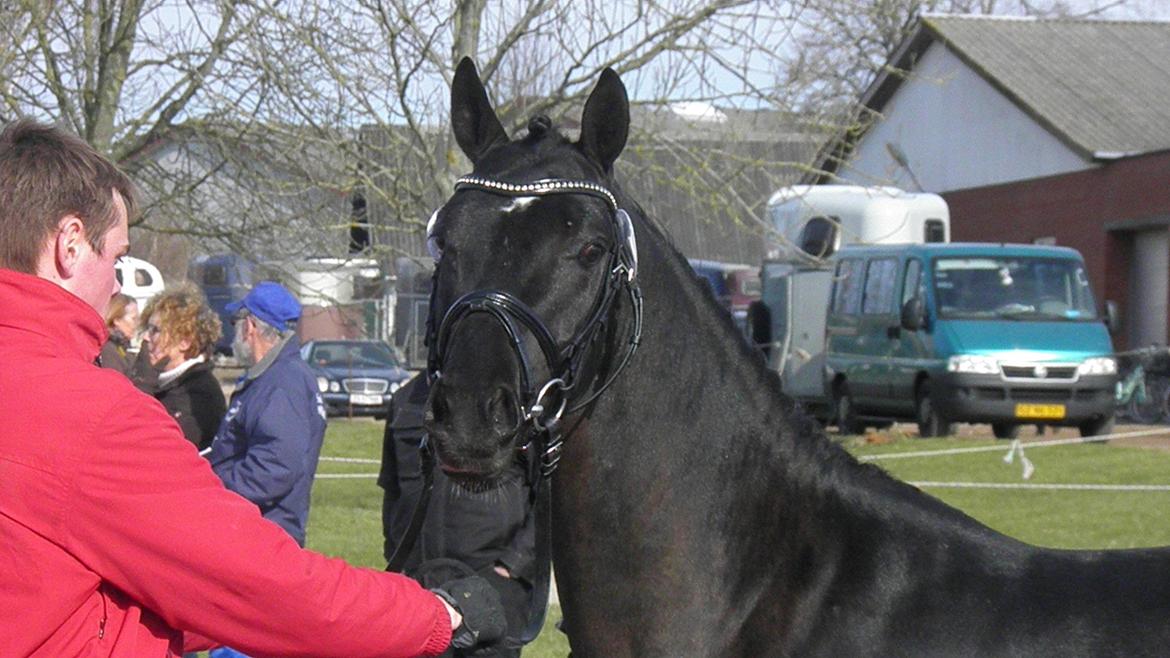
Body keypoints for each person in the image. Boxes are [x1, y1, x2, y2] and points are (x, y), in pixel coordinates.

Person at [0, 119, 503, 657]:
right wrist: (439, 615)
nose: (119, 284)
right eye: (117, 258)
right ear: (71, 244)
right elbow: (270, 589)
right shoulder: (93, 417)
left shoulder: (282, 382)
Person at [381, 374, 537, 658]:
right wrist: (397, 558)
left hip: (492, 582)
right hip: (420, 584)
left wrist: (515, 565)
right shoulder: (406, 398)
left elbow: (547, 498)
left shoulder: (510, 400)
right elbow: (392, 490)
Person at [137, 283, 227, 450]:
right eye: (147, 328)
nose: (145, 338)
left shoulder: (199, 394)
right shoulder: (163, 382)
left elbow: (153, 447)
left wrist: (142, 384)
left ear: (184, 342)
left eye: (155, 330)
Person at [99, 291, 138, 373]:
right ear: (117, 320)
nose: (138, 323)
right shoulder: (108, 350)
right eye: (134, 319)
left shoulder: (120, 345)